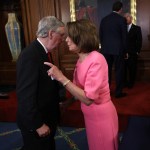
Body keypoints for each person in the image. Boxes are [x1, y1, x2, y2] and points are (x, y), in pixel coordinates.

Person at [45, 19, 118, 150]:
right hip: (90, 116)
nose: (66, 40)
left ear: (82, 37)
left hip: (101, 116)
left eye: (70, 36)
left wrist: (61, 77)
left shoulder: (96, 59)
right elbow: (78, 90)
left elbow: (88, 99)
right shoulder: (81, 59)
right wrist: (67, 103)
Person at [16, 16, 65, 150]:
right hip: (37, 121)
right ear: (50, 33)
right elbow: (25, 96)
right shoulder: (30, 55)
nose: (62, 40)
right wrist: (37, 124)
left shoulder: (43, 51)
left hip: (46, 115)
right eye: (61, 35)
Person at [99, 1, 127, 98]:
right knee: (119, 71)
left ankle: (106, 92)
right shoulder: (121, 19)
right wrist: (125, 51)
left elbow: (101, 36)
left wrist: (103, 47)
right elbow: (124, 37)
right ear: (121, 9)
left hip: (105, 50)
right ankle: (118, 93)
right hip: (118, 50)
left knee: (106, 71)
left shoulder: (104, 19)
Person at [124, 13, 142, 88]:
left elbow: (139, 40)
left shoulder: (137, 28)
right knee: (123, 70)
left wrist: (137, 51)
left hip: (133, 53)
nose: (125, 19)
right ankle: (124, 83)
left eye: (127, 17)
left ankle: (131, 84)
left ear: (131, 18)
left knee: (132, 70)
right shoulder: (122, 28)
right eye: (124, 17)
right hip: (123, 53)